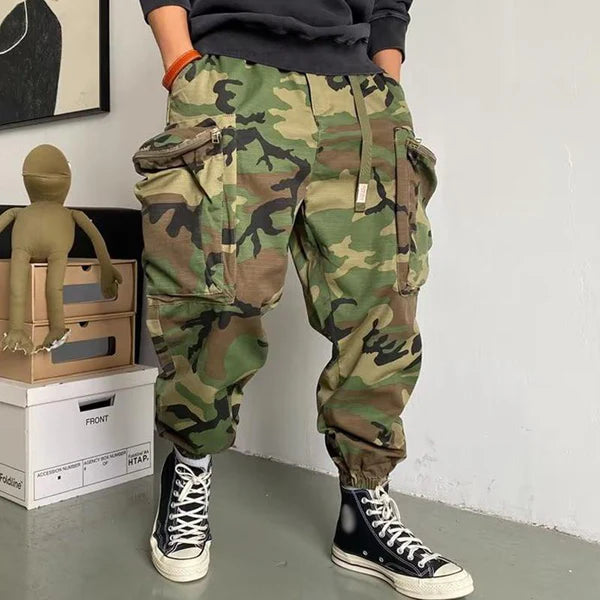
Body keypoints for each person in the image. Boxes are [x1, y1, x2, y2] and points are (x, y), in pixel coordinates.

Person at [135, 2, 474, 598]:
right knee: (216, 298)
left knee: (384, 305)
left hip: (360, 93)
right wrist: (180, 61)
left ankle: (363, 509)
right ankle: (189, 469)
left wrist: (386, 70)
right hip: (231, 79)